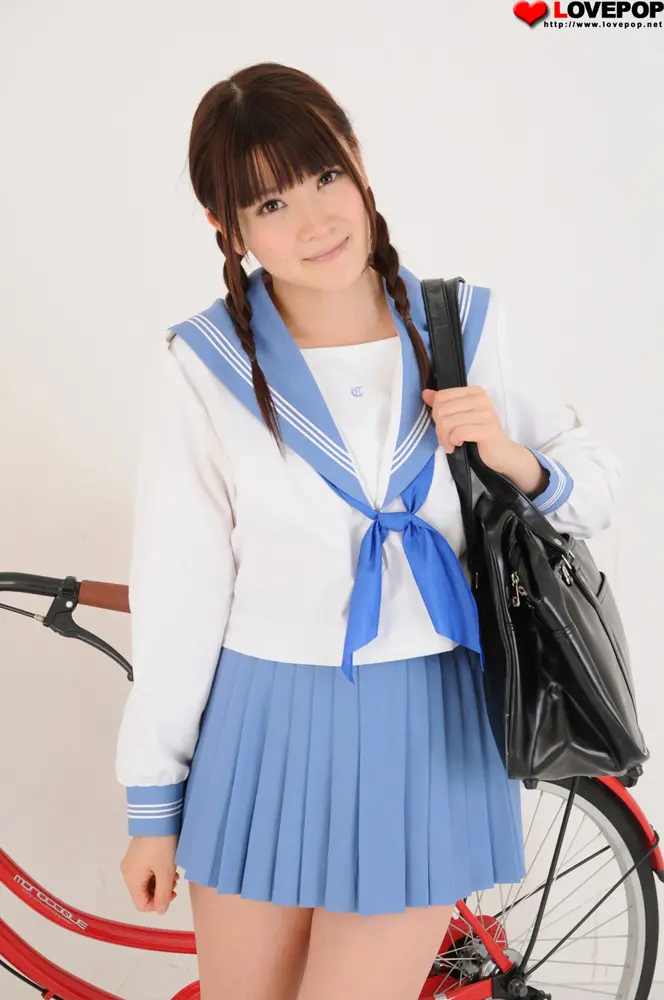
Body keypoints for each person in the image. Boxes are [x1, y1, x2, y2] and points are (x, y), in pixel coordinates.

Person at [115, 61, 620, 1000]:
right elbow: (180, 593)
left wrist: (508, 454)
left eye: (325, 176)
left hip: (428, 725)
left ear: (356, 159)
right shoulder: (205, 364)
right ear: (227, 227)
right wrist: (154, 801)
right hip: (261, 724)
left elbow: (594, 492)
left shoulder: (465, 326)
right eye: (270, 203)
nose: (314, 221)